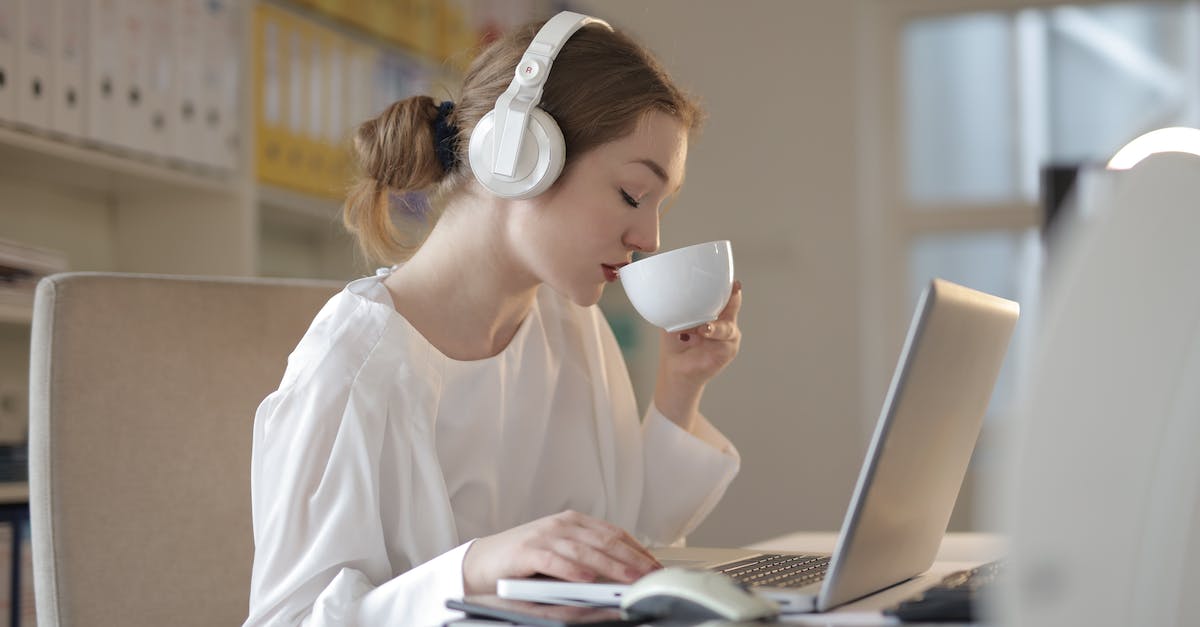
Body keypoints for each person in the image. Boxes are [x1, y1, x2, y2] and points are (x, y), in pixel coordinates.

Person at [244, 11, 744, 626]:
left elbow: (616, 554)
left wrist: (681, 388)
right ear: (519, 155)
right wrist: (470, 570)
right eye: (633, 195)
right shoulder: (352, 367)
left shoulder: (569, 325)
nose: (649, 236)